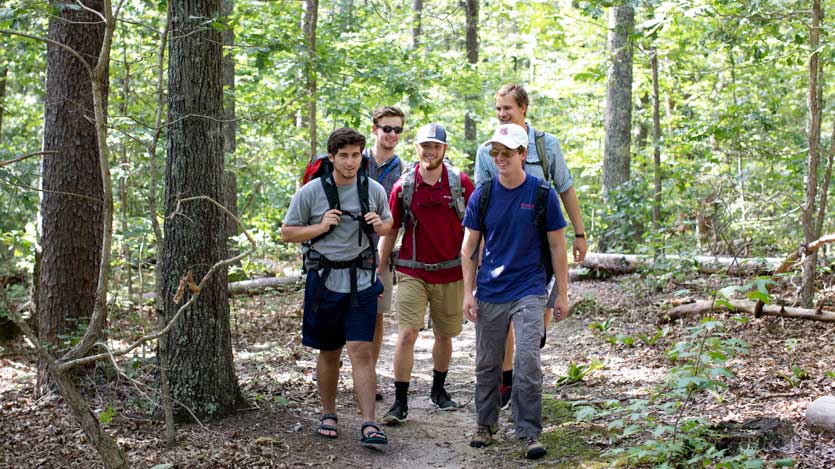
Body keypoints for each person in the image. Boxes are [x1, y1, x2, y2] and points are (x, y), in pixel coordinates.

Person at [473, 83, 586, 409]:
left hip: (544, 244)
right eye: (498, 109)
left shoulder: (546, 145)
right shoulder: (487, 150)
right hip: (504, 245)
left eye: (507, 108)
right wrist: (478, 250)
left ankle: (527, 367)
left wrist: (579, 234)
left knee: (536, 321)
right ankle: (508, 381)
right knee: (507, 314)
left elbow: (565, 188)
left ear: (523, 108)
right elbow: (481, 201)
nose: (502, 114)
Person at [461, 123, 569, 460]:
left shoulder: (542, 194)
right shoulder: (484, 194)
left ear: (523, 154)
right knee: (487, 362)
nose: (500, 158)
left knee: (527, 360)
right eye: (495, 153)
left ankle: (528, 431)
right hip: (491, 289)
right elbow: (469, 249)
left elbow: (557, 247)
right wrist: (468, 292)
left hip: (530, 288)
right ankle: (485, 424)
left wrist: (562, 294)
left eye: (507, 152)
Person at [281, 128, 393, 450]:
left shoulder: (372, 190)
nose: (350, 162)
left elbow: (389, 226)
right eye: (343, 155)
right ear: (331, 157)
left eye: (356, 155)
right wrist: (321, 226)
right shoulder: (311, 192)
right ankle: (328, 413)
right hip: (324, 283)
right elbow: (287, 232)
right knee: (329, 351)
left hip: (362, 281)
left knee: (362, 351)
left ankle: (370, 422)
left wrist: (377, 224)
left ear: (362, 156)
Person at [377, 123, 475, 424]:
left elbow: (476, 231)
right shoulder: (403, 186)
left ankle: (438, 391)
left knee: (445, 335)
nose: (430, 151)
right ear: (416, 148)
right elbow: (391, 231)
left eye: (436, 146)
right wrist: (379, 270)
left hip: (451, 272)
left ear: (444, 149)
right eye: (425, 145)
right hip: (411, 270)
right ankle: (400, 401)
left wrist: (476, 271)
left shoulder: (461, 183)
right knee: (407, 333)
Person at [365, 106, 406, 402]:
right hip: (344, 249)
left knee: (376, 315)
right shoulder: (355, 157)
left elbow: (396, 218)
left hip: (383, 250)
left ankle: (370, 374)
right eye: (387, 128)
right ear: (374, 128)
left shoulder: (402, 169)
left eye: (398, 130)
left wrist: (382, 256)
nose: (392, 134)